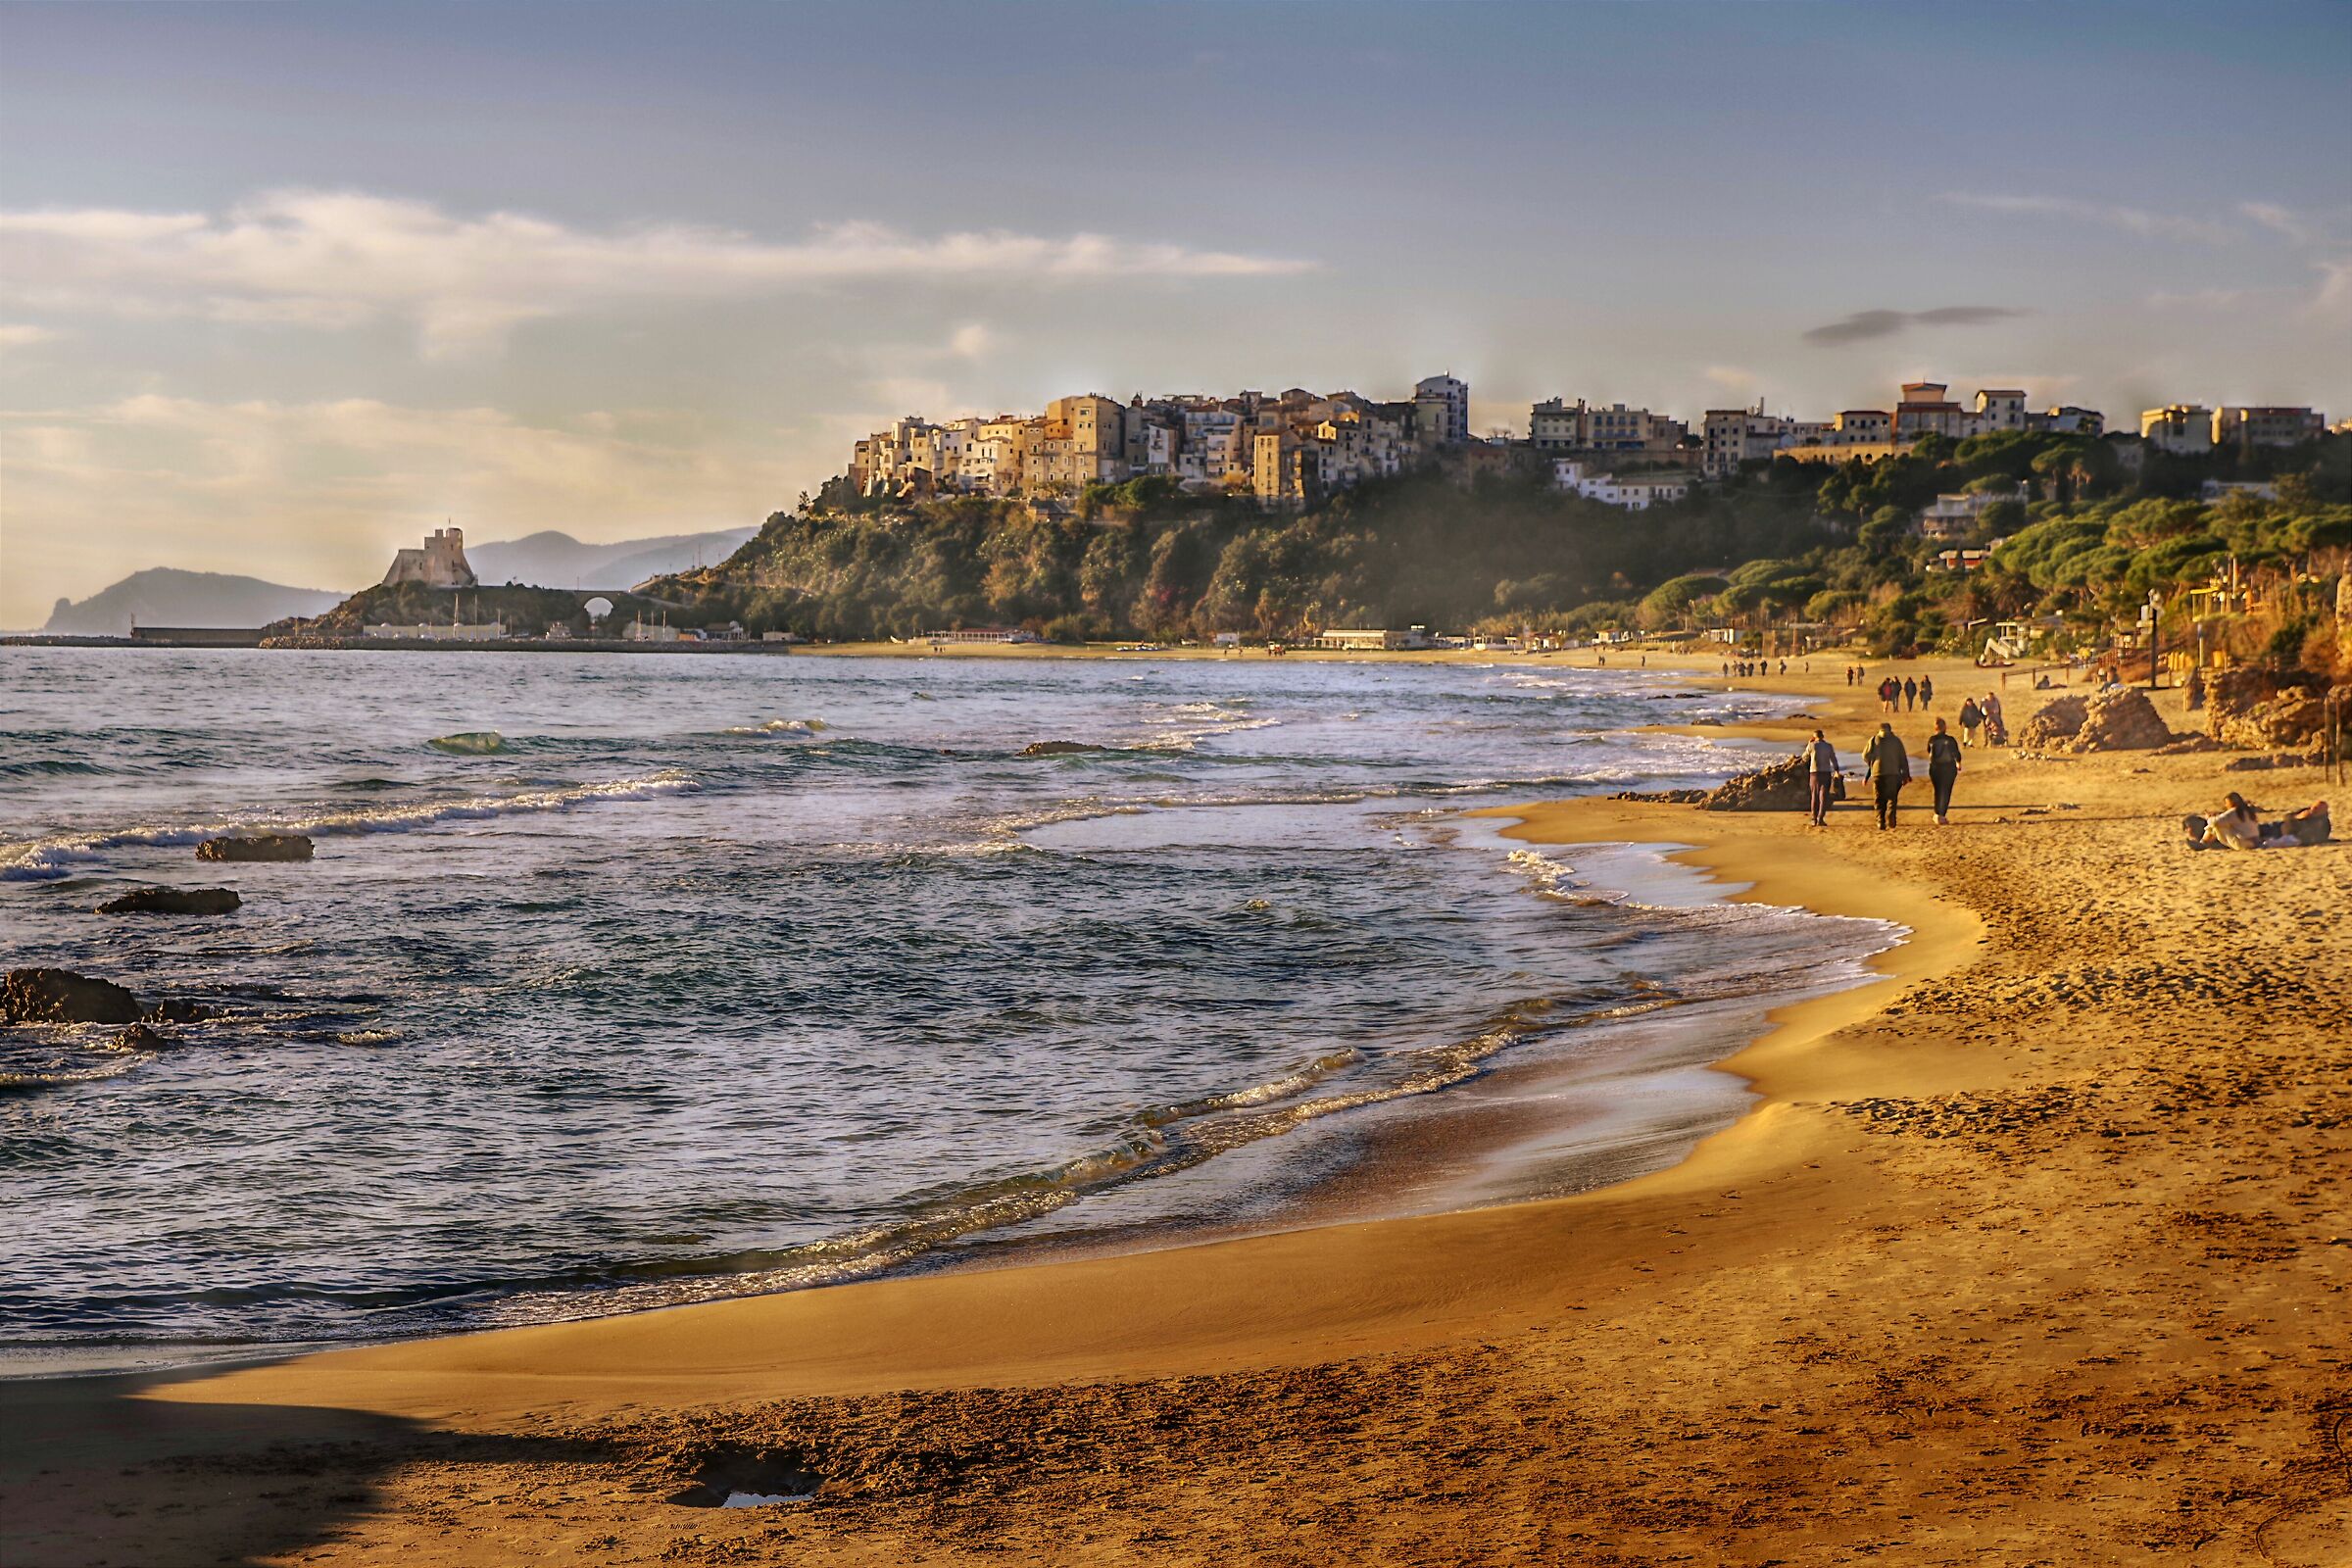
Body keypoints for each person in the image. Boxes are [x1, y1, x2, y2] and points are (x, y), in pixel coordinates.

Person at [1863, 721, 1910, 829]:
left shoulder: (1874, 740)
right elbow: (1903, 759)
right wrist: (1906, 774)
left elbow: (1865, 755)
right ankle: (1891, 816)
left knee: (1879, 798)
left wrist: (1872, 763)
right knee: (1892, 797)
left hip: (1877, 773)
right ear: (1890, 729)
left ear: (1880, 730)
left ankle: (1880, 821)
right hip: (1893, 773)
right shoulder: (1896, 741)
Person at [1926, 717, 1962, 824]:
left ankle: (1937, 814)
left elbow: (1929, 751)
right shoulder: (1950, 739)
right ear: (1944, 727)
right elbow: (1956, 753)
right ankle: (1942, 815)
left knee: (1937, 791)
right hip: (1948, 768)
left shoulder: (1932, 739)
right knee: (1946, 791)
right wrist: (1958, 763)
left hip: (1935, 768)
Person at [1804, 727, 1840, 826]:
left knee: (1814, 796)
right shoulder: (1828, 746)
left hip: (1814, 773)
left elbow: (1805, 757)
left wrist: (1809, 743)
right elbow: (1833, 759)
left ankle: (1814, 818)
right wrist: (1837, 770)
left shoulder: (1812, 745)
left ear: (1814, 737)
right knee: (1823, 796)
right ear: (1822, 736)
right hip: (1826, 772)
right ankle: (1820, 818)